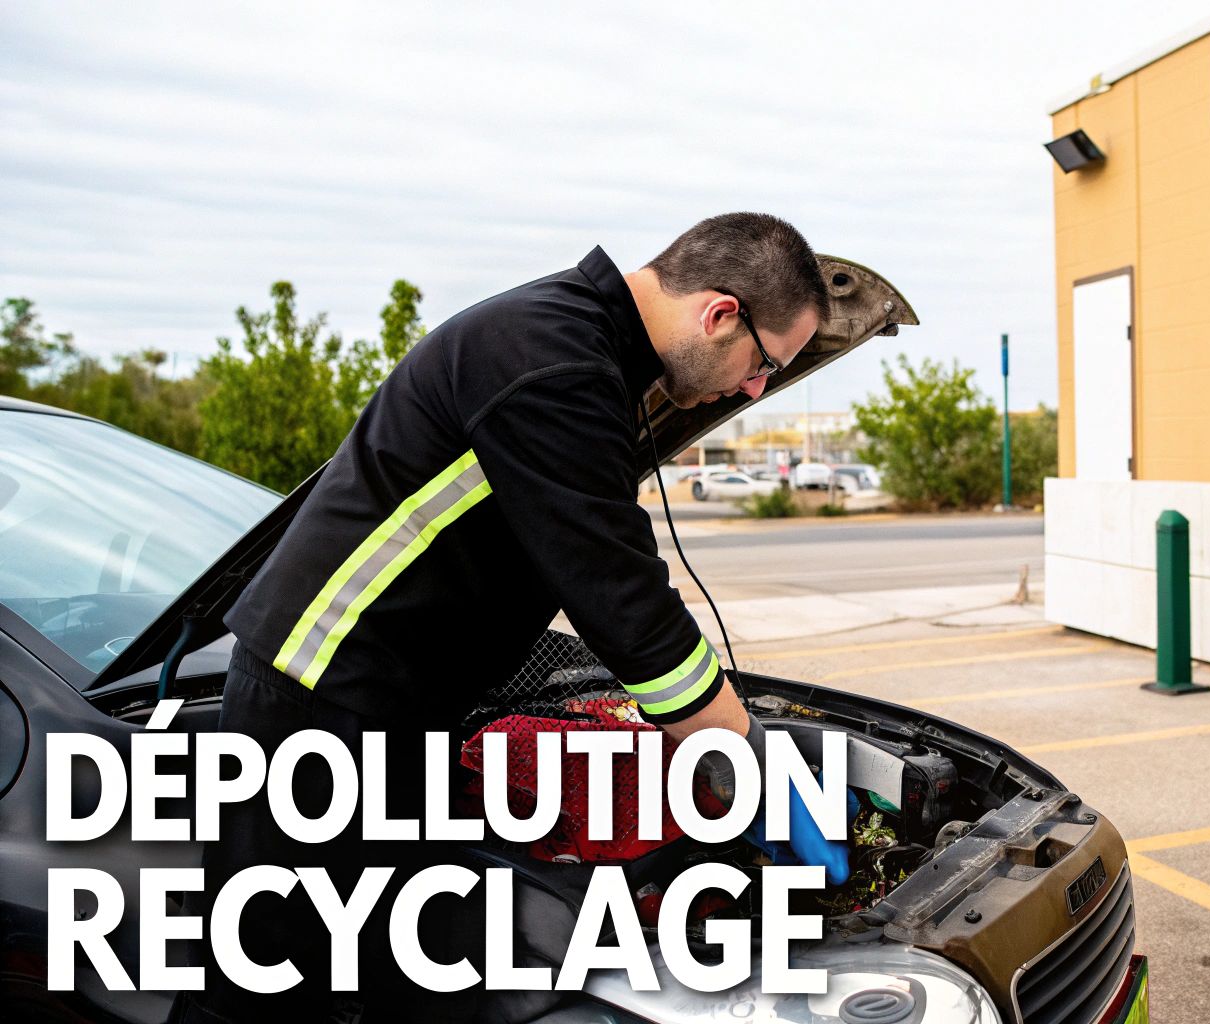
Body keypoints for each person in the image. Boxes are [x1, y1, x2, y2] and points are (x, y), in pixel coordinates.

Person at [183, 213, 834, 1022]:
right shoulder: (551, 361)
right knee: (270, 984)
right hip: (321, 703)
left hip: (391, 706)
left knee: (404, 970)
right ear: (719, 314)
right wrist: (750, 761)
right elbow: (618, 593)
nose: (753, 390)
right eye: (765, 365)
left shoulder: (580, 349)